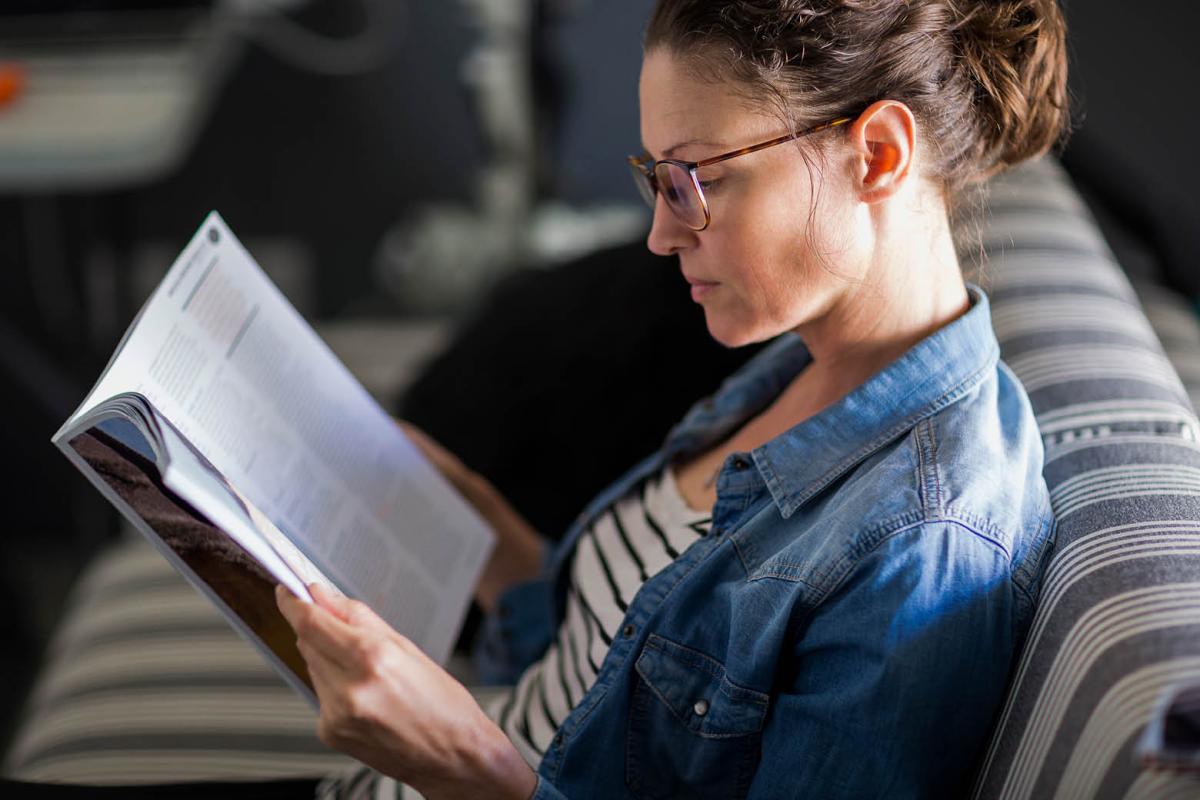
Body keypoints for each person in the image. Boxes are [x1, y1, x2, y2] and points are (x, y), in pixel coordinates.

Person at [4, 0, 1067, 798]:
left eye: (696, 179)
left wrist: (465, 763)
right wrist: (474, 523)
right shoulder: (805, 364)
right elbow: (604, 655)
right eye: (655, 178)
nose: (661, 233)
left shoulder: (927, 546)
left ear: (877, 153)